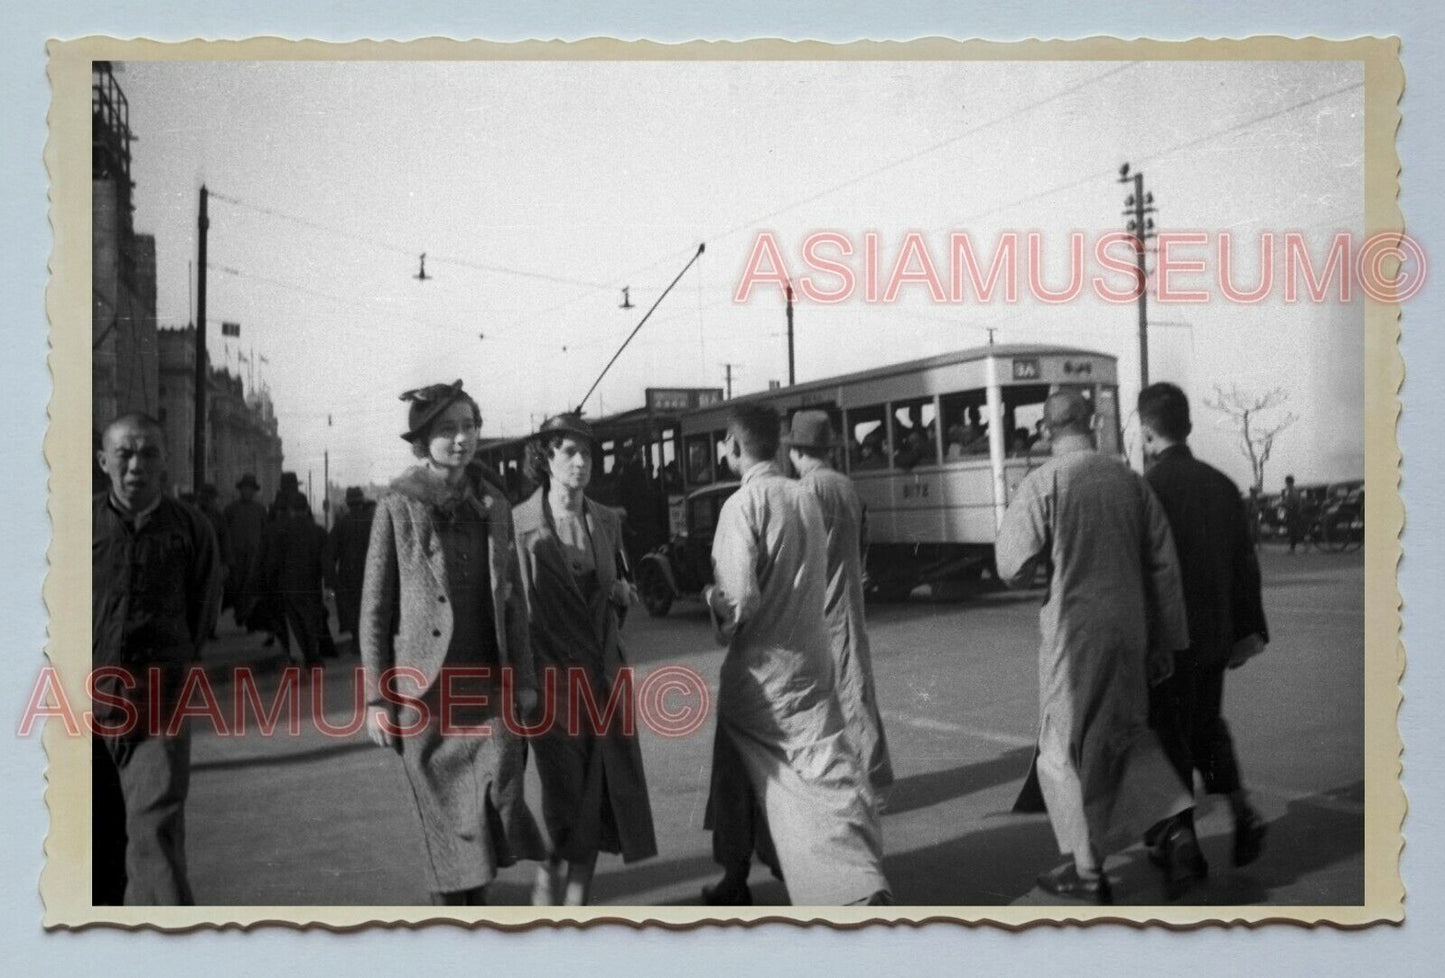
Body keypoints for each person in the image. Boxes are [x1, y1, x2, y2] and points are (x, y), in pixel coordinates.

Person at [995, 391, 1198, 904]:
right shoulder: (1131, 482)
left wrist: (1046, 566)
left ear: (1046, 430)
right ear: (1093, 424)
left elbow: (1010, 564)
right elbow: (1164, 568)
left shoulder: (1046, 482)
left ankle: (1087, 870)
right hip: (1132, 632)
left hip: (1073, 634)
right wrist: (1168, 641)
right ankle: (1176, 829)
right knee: (1126, 735)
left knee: (1061, 748)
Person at [359, 380, 547, 905]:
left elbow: (514, 604)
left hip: (488, 686)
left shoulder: (494, 504)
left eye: (469, 427)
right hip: (425, 694)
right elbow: (374, 609)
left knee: (496, 802)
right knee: (446, 825)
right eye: (447, 430)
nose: (462, 440)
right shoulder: (398, 506)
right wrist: (377, 699)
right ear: (422, 441)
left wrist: (526, 681)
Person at [701, 403, 890, 906]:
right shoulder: (805, 498)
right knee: (824, 767)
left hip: (761, 677)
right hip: (813, 665)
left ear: (736, 448)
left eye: (725, 443)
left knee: (740, 773)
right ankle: (756, 872)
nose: (724, 450)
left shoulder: (741, 506)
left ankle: (831, 881)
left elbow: (737, 600)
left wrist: (712, 603)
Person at [513, 413, 658, 906]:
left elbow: (615, 596)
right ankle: (547, 888)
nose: (581, 463)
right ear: (546, 458)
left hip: (603, 679)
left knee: (599, 797)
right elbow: (510, 613)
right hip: (551, 684)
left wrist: (620, 593)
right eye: (569, 452)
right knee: (565, 800)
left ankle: (573, 908)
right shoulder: (519, 526)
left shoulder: (606, 519)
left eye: (588, 454)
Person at [1137, 383, 1270, 870]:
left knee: (1167, 734)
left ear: (1147, 433)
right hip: (1215, 639)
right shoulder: (1221, 484)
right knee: (1207, 726)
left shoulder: (1147, 490)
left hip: (1167, 643)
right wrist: (1247, 632)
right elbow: (1244, 565)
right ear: (1188, 427)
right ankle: (1242, 811)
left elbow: (1144, 573)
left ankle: (1183, 837)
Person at [92, 412, 222, 904]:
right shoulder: (77, 526)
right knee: (93, 840)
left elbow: (202, 609)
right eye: (124, 453)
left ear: (165, 463)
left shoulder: (192, 529)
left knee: (155, 836)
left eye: (148, 453)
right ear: (104, 461)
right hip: (81, 706)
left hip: (160, 704)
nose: (135, 466)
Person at [787, 410, 894, 791]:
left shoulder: (804, 491)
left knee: (833, 697)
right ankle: (867, 775)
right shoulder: (846, 486)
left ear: (797, 452)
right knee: (855, 687)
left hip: (817, 607)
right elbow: (862, 542)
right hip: (849, 598)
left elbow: (797, 556)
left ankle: (864, 782)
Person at [264, 495, 332, 666]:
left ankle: (304, 657)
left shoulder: (283, 531)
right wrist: (330, 584)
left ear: (292, 510)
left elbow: (274, 560)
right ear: (307, 508)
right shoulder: (320, 531)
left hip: (290, 585)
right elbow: (327, 561)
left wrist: (270, 580)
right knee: (311, 620)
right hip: (312, 584)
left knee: (296, 623)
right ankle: (313, 656)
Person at [327, 486, 375, 644]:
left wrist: (331, 580)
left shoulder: (341, 525)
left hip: (347, 574)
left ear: (348, 504)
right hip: (369, 573)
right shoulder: (372, 523)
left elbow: (329, 554)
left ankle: (356, 638)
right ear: (362, 502)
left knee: (351, 607)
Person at [223, 474, 267, 630]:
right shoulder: (231, 509)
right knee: (236, 586)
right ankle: (240, 613)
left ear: (254, 491)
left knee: (250, 587)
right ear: (240, 490)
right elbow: (224, 533)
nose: (247, 492)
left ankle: (248, 619)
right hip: (235, 555)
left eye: (250, 489)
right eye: (244, 489)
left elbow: (265, 533)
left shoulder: (260, 510)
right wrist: (227, 556)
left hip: (254, 556)